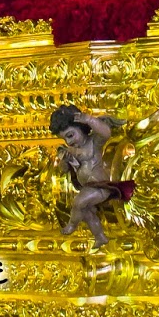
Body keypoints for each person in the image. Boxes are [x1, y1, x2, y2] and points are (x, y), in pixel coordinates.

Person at [49, 104, 133, 248]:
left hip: (100, 185)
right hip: (87, 187)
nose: (69, 142)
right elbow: (64, 170)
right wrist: (65, 161)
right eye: (65, 139)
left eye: (70, 135)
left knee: (78, 203)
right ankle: (100, 237)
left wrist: (89, 119)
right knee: (87, 213)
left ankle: (72, 225)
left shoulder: (93, 142)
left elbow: (106, 133)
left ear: (81, 127)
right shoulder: (72, 150)